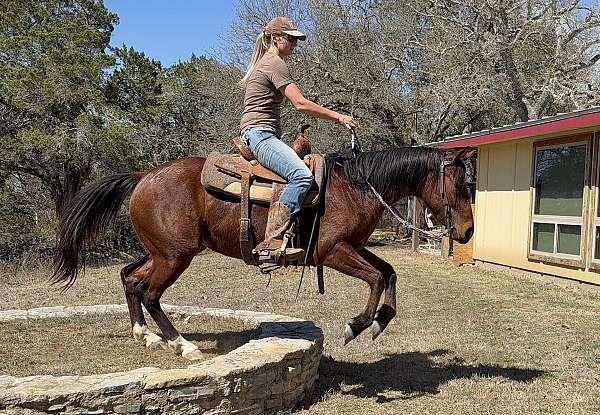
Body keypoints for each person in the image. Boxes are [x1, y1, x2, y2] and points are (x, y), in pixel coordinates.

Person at [240, 16, 357, 262]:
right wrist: (339, 117)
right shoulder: (274, 63)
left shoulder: (267, 62)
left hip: (262, 134)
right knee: (302, 176)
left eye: (296, 39)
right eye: (291, 38)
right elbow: (300, 104)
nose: (295, 43)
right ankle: (272, 240)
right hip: (259, 135)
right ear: (275, 38)